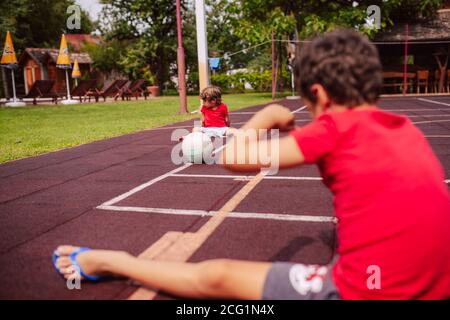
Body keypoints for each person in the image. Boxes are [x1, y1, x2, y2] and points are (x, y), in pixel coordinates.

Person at [52, 29, 450, 299]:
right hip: (434, 284)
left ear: (319, 95)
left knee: (217, 277)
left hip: (366, 290)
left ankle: (112, 261)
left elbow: (233, 158)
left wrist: (267, 117)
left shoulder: (335, 127)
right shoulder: (405, 130)